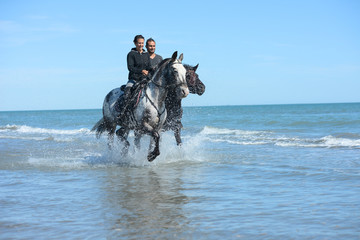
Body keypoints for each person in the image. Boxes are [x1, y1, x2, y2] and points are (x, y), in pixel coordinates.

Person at [118, 35, 151, 118]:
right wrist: (141, 71)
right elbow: (130, 68)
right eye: (139, 43)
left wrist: (150, 71)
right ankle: (124, 114)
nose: (141, 45)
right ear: (135, 43)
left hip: (145, 79)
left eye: (142, 43)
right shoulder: (131, 54)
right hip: (133, 79)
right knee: (127, 93)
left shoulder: (146, 54)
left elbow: (149, 67)